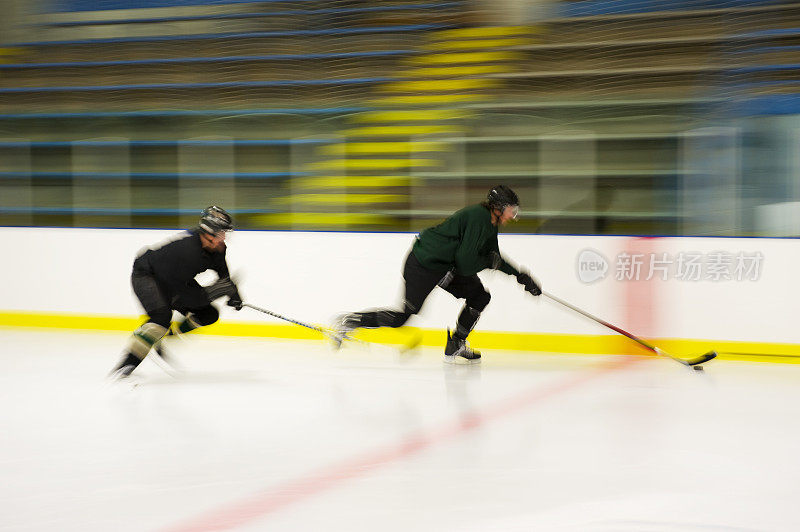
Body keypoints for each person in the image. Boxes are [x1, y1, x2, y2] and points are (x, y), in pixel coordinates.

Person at [334, 185, 541, 363]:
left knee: (480, 296)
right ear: (498, 208)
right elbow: (467, 263)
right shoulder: (478, 218)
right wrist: (490, 262)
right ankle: (350, 321)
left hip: (446, 266)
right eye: (510, 210)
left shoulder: (491, 224)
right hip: (423, 264)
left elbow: (492, 256)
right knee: (403, 317)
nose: (512, 215)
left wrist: (520, 275)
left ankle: (456, 344)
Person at [109, 206, 243, 379]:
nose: (224, 238)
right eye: (221, 233)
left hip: (175, 278)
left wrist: (235, 296)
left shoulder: (218, 249)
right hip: (147, 274)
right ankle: (126, 365)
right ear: (208, 233)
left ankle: (162, 336)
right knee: (160, 319)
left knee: (209, 314)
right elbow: (182, 293)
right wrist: (212, 293)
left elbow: (224, 276)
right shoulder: (188, 252)